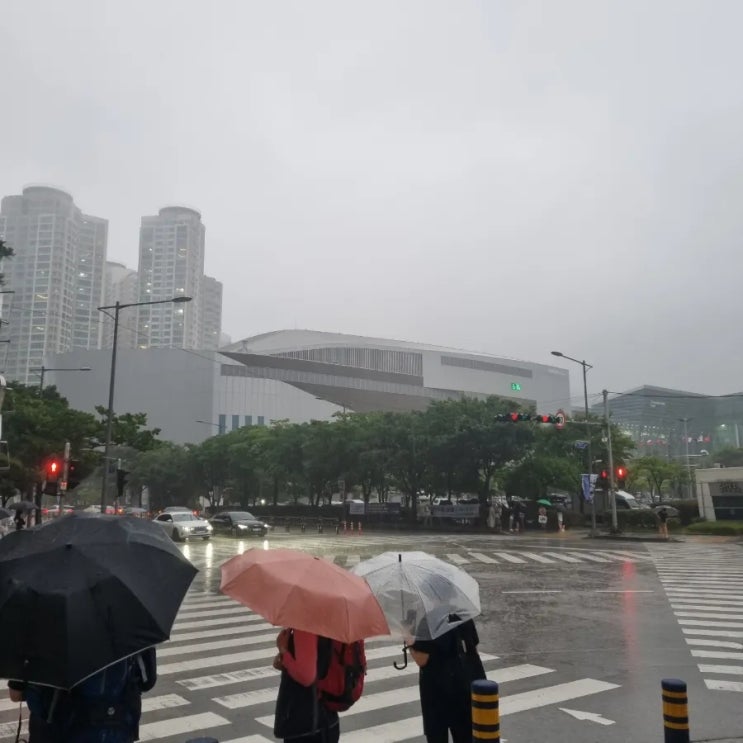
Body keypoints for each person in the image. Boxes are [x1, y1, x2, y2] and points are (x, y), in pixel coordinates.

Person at [6, 647, 157, 742]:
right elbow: (147, 682)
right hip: (115, 729)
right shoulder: (131, 622)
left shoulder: (40, 624)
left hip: (55, 731)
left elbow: (16, 695)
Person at [408, 617, 486, 743]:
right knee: (465, 734)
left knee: (437, 734)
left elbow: (421, 659)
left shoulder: (430, 621)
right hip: (464, 688)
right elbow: (473, 647)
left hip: (438, 692)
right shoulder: (464, 616)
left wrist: (408, 638)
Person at [273, 628, 340, 743]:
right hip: (327, 718)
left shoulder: (305, 628)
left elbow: (306, 676)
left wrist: (283, 650)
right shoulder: (327, 622)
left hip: (307, 723)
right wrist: (287, 661)